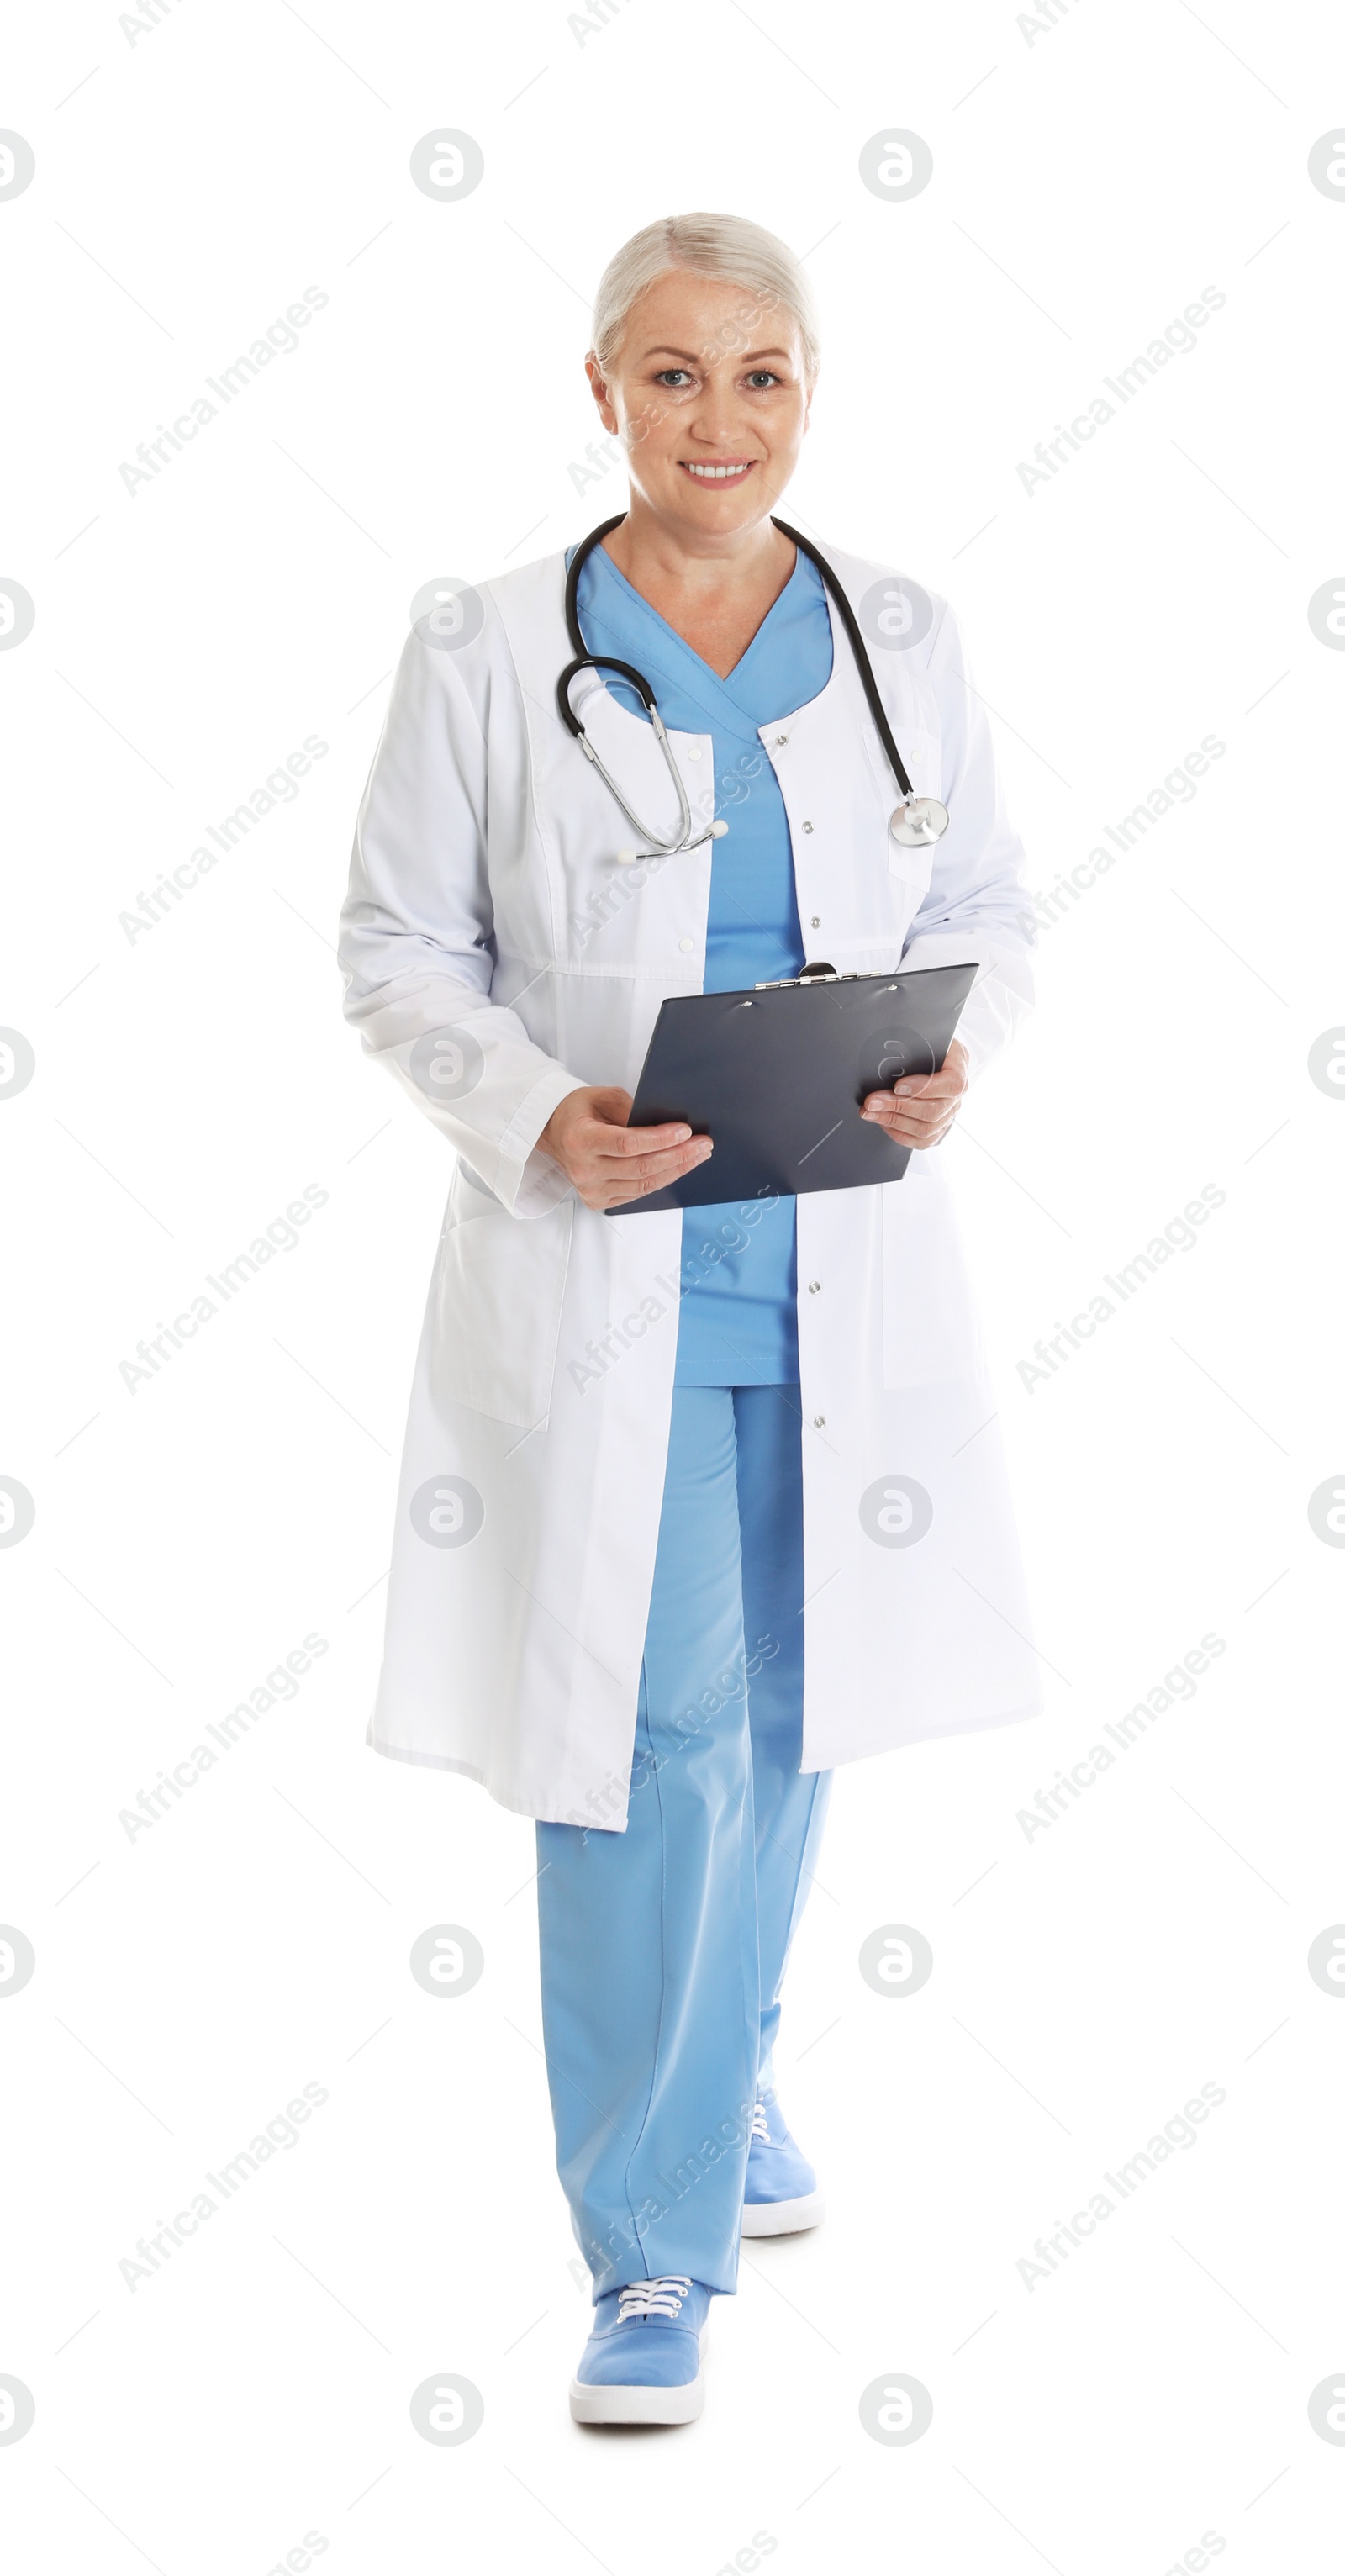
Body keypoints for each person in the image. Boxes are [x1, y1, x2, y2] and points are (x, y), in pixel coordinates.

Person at [338, 211, 1040, 2427]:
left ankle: (725, 2068)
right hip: (603, 1276)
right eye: (670, 373)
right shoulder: (477, 648)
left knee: (793, 1709)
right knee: (645, 1753)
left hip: (833, 1259)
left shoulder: (901, 631)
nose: (716, 418)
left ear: (805, 395)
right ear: (602, 395)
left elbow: (986, 905)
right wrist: (541, 1112)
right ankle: (653, 2255)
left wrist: (959, 1055)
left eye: (758, 374)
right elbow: (392, 949)